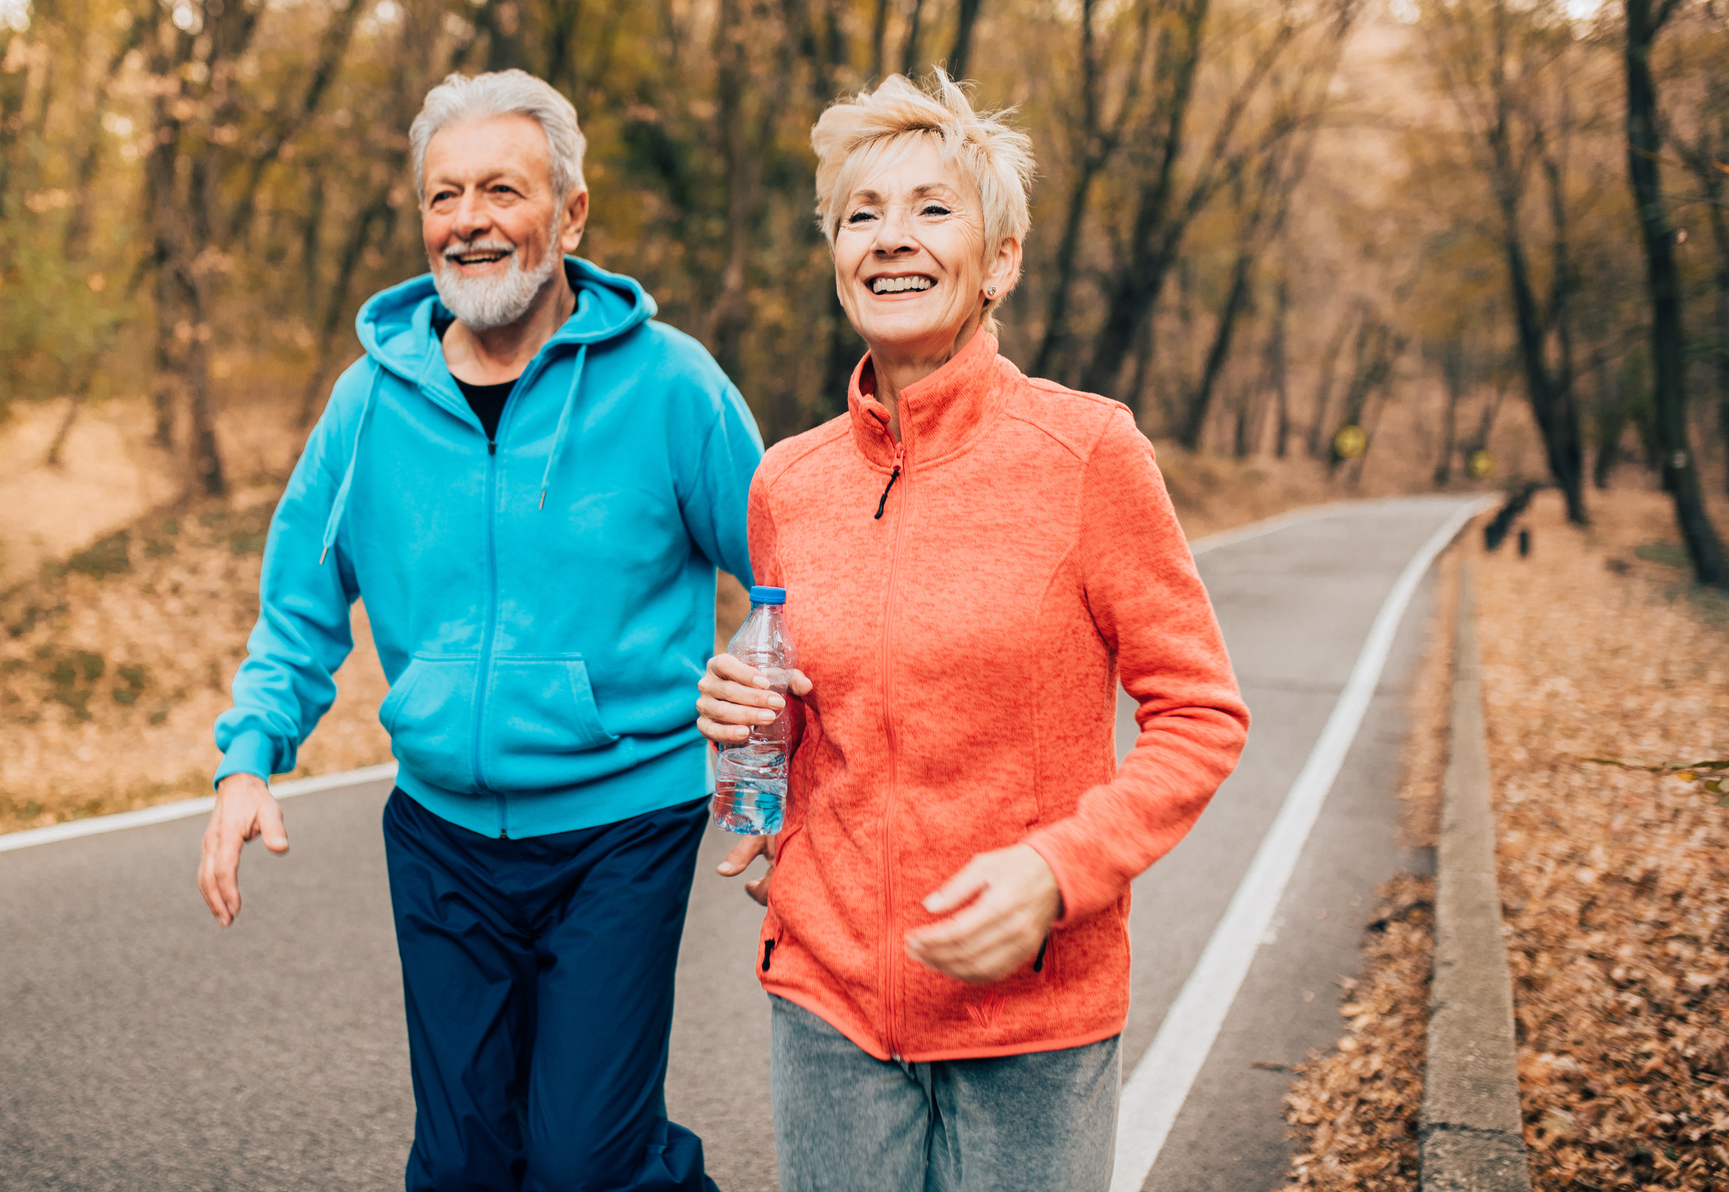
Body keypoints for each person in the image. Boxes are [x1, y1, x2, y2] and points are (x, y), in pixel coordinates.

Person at [199, 70, 762, 1192]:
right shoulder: (367, 402)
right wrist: (250, 757)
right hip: (441, 834)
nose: (469, 220)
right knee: (460, 1167)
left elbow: (793, 583)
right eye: (443, 195)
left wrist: (769, 774)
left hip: (624, 824)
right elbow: (300, 605)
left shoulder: (669, 385)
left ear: (569, 213)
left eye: (501, 189)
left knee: (581, 1162)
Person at [696, 72, 1250, 1192]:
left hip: (1031, 1012)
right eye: (862, 214)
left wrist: (1058, 872)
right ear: (836, 256)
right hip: (827, 1000)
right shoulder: (786, 482)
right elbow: (808, 706)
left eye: (932, 209)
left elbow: (1199, 717)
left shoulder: (1087, 455)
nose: (891, 239)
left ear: (998, 262)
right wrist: (744, 732)